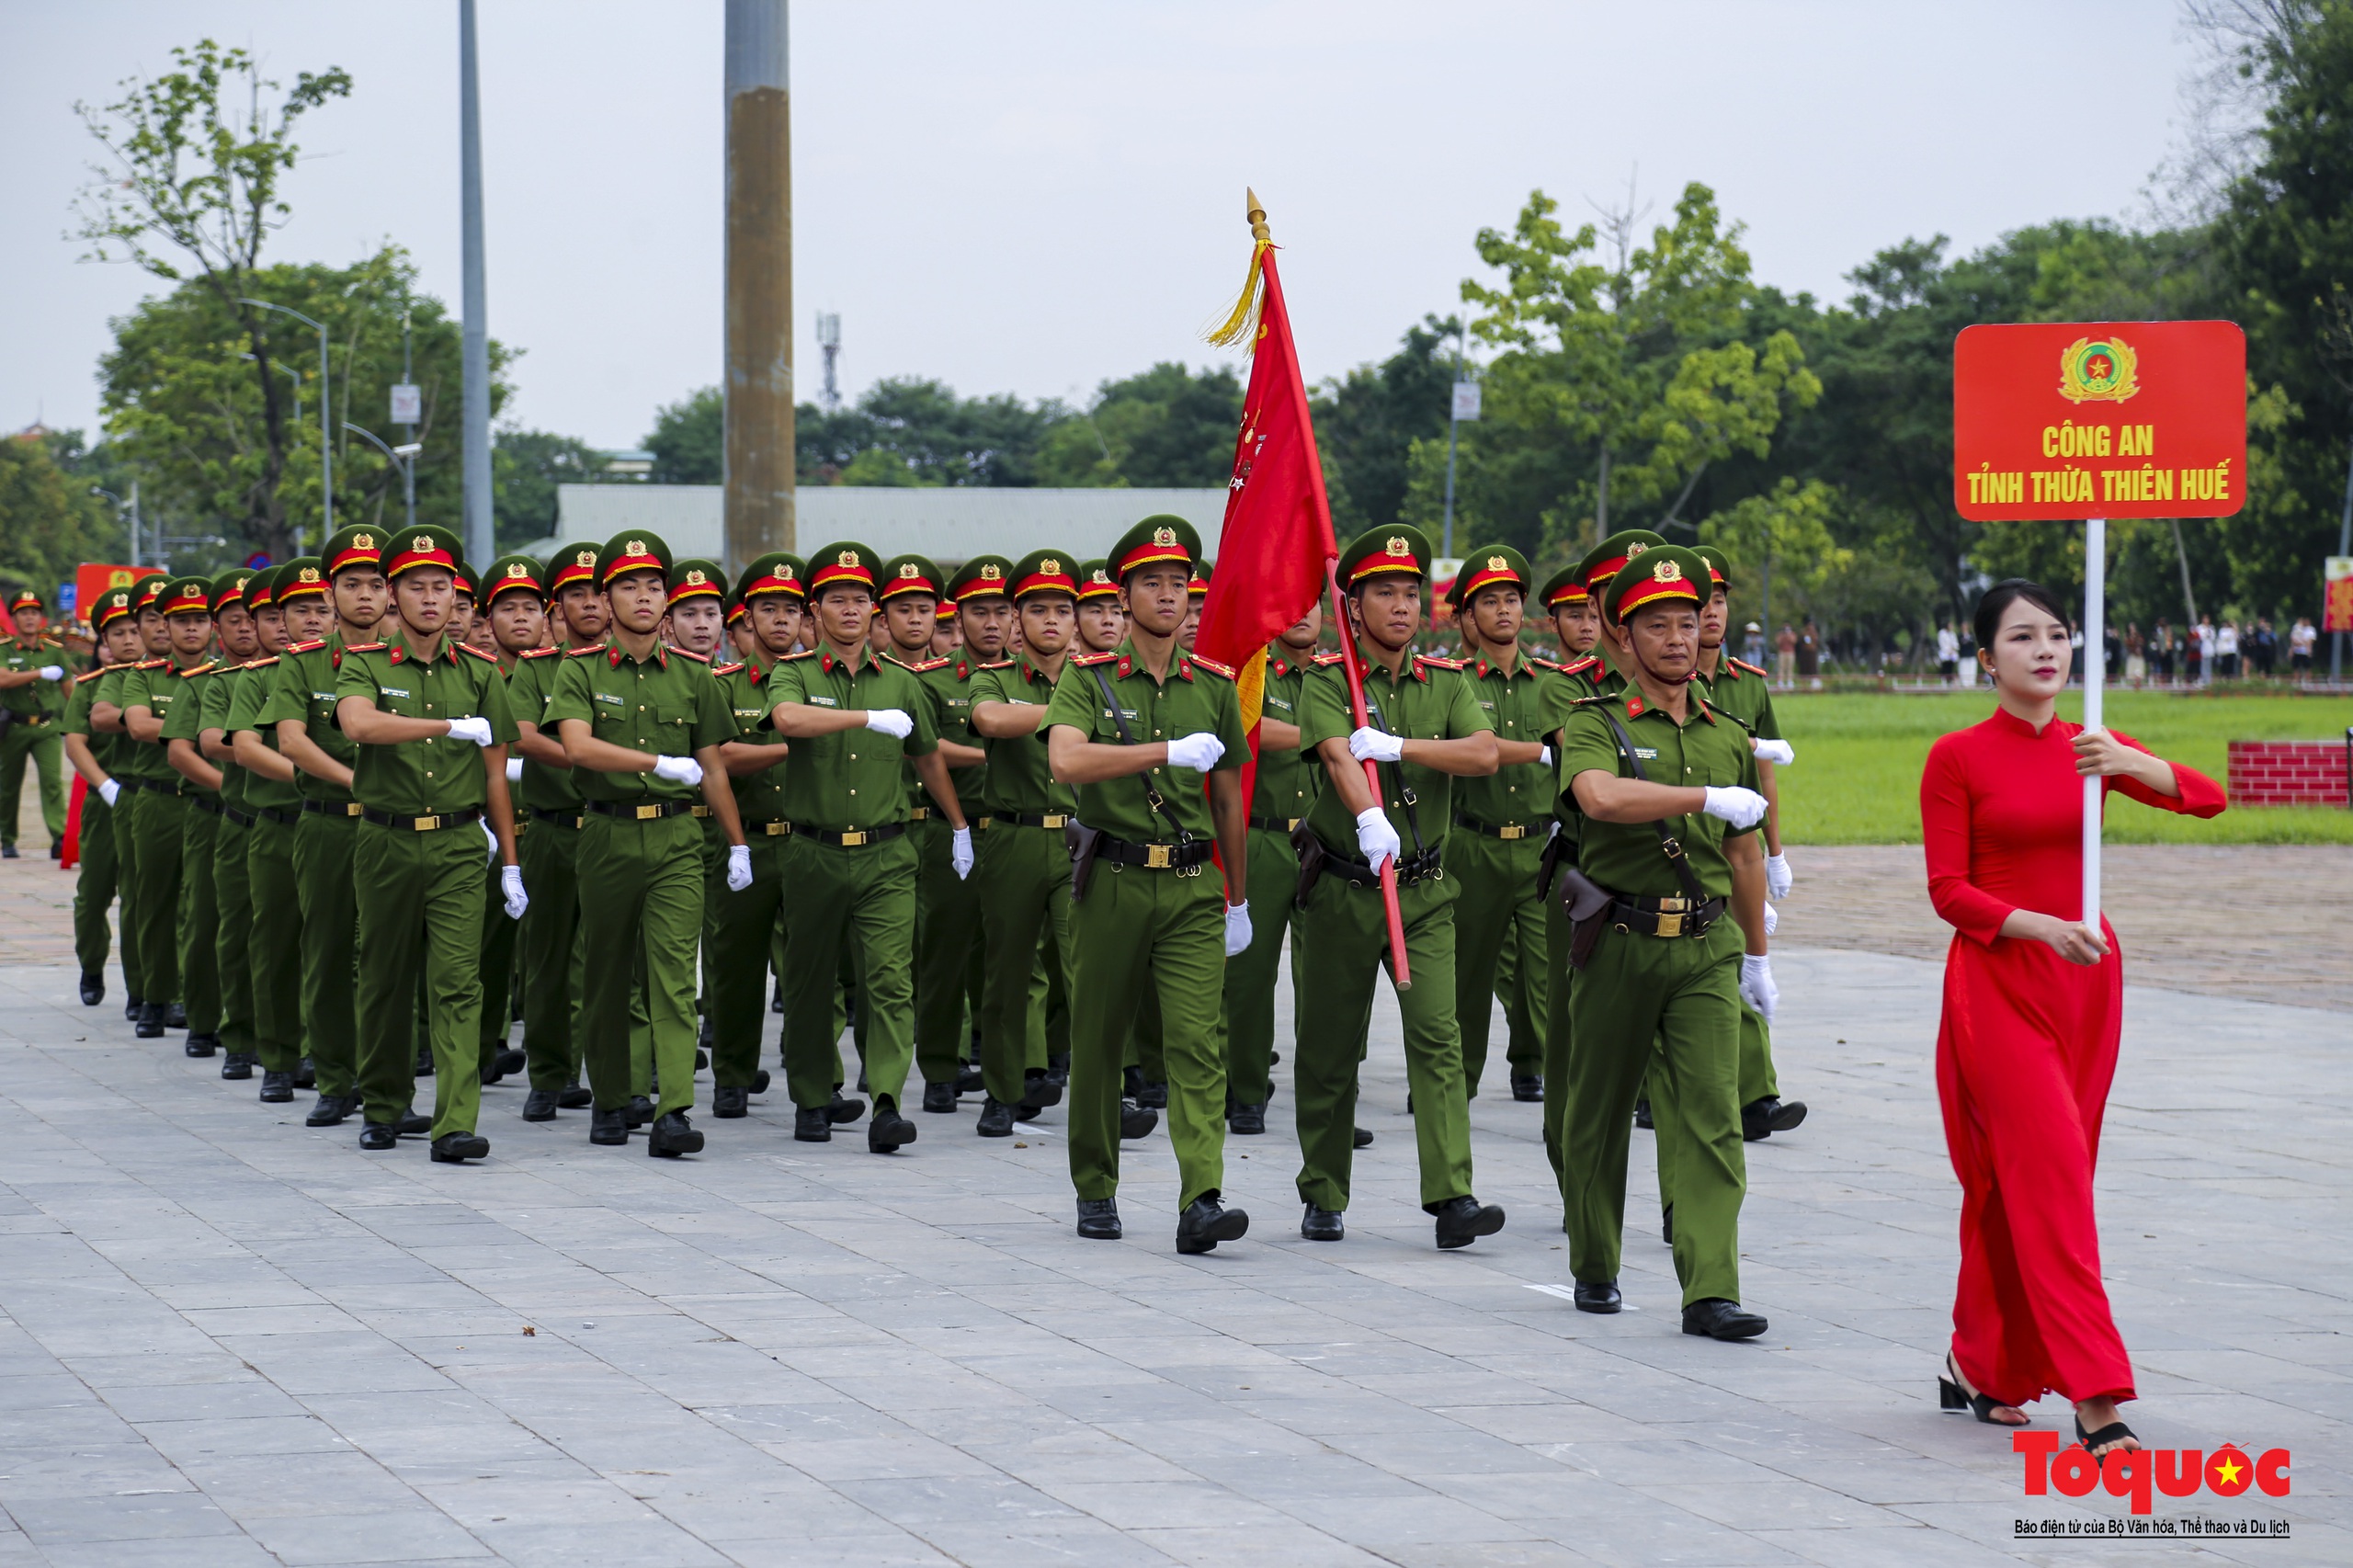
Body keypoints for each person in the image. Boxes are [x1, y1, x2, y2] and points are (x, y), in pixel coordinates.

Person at [1922, 577, 2225, 1458]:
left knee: (2031, 1183)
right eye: (2022, 638)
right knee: (2050, 1180)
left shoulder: (2092, 745)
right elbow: (1949, 892)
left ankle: (1975, 1359)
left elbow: (2208, 798)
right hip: (1999, 983)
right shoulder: (1958, 757)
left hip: (2088, 988)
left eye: (2057, 635)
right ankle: (2097, 1395)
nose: (2046, 650)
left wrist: (2127, 763)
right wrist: (2040, 926)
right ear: (1986, 658)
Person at [1554, 544, 1775, 1341]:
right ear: (1621, 634)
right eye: (1658, 624)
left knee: (1712, 1115)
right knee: (1600, 1112)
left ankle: (1710, 1287)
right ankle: (1595, 1260)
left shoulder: (1729, 732)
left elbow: (1743, 851)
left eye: (1689, 621)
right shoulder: (1593, 721)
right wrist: (1702, 795)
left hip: (1706, 947)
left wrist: (1756, 956)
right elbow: (1600, 798)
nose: (1679, 638)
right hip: (1618, 939)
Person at [1289, 525, 1505, 1248]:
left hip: (1421, 893)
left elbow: (1480, 754)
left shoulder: (1445, 682)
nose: (1402, 606)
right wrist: (1369, 813)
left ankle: (1452, 1197)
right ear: (1352, 606)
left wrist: (1402, 748)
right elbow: (1334, 754)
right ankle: (1322, 1187)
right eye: (1385, 592)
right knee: (1328, 1047)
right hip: (1346, 889)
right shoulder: (1325, 679)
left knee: (1439, 1039)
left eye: (1411, 592)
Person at [1042, 515, 1252, 1250]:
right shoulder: (1087, 679)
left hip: (1193, 883)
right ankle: (1096, 1185)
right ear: (1122, 595)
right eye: (1151, 583)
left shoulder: (1215, 685)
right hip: (1114, 880)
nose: (1168, 596)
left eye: (1179, 583)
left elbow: (1228, 798)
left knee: (1197, 1043)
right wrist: (1160, 750)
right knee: (1100, 1040)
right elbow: (1066, 762)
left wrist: (1239, 896)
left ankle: (1202, 1195)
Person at [546, 532, 748, 1156]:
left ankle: (675, 1111)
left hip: (677, 837)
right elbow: (577, 747)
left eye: (653, 587)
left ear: (667, 598)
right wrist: (660, 759)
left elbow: (712, 766)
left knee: (671, 975)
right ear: (605, 600)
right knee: (607, 974)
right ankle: (610, 1099)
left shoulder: (694, 676)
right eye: (627, 586)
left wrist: (736, 843)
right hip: (605, 831)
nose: (642, 597)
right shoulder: (578, 670)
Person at [766, 540, 971, 1153]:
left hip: (887, 853)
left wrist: (957, 825)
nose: (850, 610)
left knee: (890, 980)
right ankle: (811, 1093)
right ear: (815, 612)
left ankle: (885, 1100)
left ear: (874, 612)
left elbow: (928, 757)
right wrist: (862, 720)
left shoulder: (904, 684)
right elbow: (788, 721)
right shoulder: (795, 673)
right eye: (837, 600)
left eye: (860, 600)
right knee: (810, 981)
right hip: (813, 851)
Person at [335, 525, 526, 1162]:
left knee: (457, 982)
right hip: (385, 841)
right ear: (393, 595)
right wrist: (449, 726)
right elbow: (359, 723)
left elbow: (496, 770)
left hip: (457, 846)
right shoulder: (362, 662)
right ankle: (384, 1104)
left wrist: (511, 860)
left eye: (440, 588)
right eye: (415, 587)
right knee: (384, 978)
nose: (428, 599)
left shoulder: (480, 671)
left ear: (454, 598)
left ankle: (455, 1123)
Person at [262, 528, 391, 1129]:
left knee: (391, 958)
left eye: (374, 584)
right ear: (331, 591)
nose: (363, 595)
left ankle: (388, 1081)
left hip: (400, 826)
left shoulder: (418, 659)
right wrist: (358, 783)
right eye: (350, 584)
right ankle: (336, 1079)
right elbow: (292, 741)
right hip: (330, 826)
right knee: (330, 951)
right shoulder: (303, 661)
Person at [966, 550, 1091, 1135]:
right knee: (1007, 973)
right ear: (1017, 622)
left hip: (1081, 843)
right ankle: (1002, 1091)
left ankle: (1100, 1092)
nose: (1050, 621)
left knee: (1088, 972)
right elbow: (990, 721)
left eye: (1061, 610)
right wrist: (1070, 714)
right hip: (1012, 837)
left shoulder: (1098, 675)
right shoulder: (993, 677)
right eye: (1036, 610)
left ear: (1076, 619)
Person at [883, 553, 1002, 1112]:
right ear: (959, 618)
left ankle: (1018, 1064)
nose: (993, 624)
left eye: (1003, 611)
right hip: (948, 831)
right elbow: (924, 750)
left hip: (1015, 830)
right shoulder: (928, 682)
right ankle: (939, 1064)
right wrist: (995, 750)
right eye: (979, 612)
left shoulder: (1031, 681)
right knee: (944, 954)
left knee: (1010, 956)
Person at [1212, 597, 1324, 1136]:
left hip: (1324, 844)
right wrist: (1328, 737)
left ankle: (1327, 1101)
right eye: (1292, 605)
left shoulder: (1337, 674)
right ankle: (1247, 1090)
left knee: (1325, 978)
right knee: (1251, 975)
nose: (1303, 615)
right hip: (1262, 839)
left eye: (1314, 605)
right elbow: (1250, 733)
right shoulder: (1254, 673)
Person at [1445, 545, 1552, 1104]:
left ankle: (1548, 1076)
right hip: (1472, 843)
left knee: (1547, 975)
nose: (1503, 610)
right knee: (1466, 975)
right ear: (1469, 615)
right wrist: (1536, 751)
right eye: (1489, 601)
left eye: (1511, 599)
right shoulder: (1453, 681)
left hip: (1539, 846)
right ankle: (1453, 1085)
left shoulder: (1553, 683)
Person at [504, 545, 604, 1120]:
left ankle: (621, 1072)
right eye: (575, 596)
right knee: (547, 958)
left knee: (616, 960)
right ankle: (549, 1073)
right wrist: (593, 760)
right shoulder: (538, 669)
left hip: (617, 828)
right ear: (556, 608)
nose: (588, 604)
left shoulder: (644, 668)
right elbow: (522, 736)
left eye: (596, 593)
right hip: (555, 829)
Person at [704, 553, 802, 1119]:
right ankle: (733, 1075)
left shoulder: (822, 681)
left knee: (813, 968)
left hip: (814, 840)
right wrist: (797, 743)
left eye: (791, 609)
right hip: (748, 840)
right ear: (747, 618)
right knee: (737, 968)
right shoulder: (721, 684)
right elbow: (719, 756)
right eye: (769, 609)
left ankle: (819, 1078)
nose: (782, 620)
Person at [228, 561, 328, 1103]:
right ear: (281, 619)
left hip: (344, 824)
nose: (312, 620)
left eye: (321, 609)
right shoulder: (259, 676)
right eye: (300, 611)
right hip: (279, 825)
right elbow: (245, 748)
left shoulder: (360, 671)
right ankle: (278, 1057)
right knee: (275, 944)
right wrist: (313, 773)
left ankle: (326, 1050)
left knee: (336, 944)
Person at [166, 570, 260, 1080]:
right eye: (234, 620)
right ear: (218, 630)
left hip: (283, 815)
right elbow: (182, 750)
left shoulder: (294, 675)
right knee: (211, 923)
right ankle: (209, 1021)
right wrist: (228, 788)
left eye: (255, 618)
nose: (246, 629)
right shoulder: (205, 683)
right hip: (216, 814)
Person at [119, 574, 217, 1044]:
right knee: (155, 902)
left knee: (201, 907)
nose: (191, 630)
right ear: (166, 627)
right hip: (156, 800)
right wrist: (195, 726)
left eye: (200, 620)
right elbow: (138, 726)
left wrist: (182, 727)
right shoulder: (144, 674)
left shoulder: (223, 675)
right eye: (181, 621)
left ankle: (192, 997)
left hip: (206, 802)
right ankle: (155, 997)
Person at [475, 554, 552, 1088]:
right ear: (488, 619)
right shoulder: (475, 673)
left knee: (549, 953)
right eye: (507, 609)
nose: (520, 618)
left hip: (545, 827)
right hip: (488, 833)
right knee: (485, 951)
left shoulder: (564, 670)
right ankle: (483, 1047)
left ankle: (555, 1064)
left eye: (530, 607)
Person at [89, 576, 174, 1028]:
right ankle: (146, 990)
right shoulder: (128, 677)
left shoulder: (218, 671)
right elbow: (100, 718)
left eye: (168, 617)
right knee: (144, 899)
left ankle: (183, 993)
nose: (160, 627)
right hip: (142, 794)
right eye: (150, 619)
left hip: (204, 799)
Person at [61, 587, 145, 1006]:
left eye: (135, 630)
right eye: (118, 633)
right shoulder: (91, 687)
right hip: (107, 797)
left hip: (150, 798)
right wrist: (105, 786)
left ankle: (141, 987)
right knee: (94, 893)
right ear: (104, 642)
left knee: (139, 894)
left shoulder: (166, 681)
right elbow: (75, 743)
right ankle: (92, 964)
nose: (129, 640)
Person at [0, 589, 73, 859]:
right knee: (9, 785)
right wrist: (40, 673)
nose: (29, 618)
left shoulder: (54, 652)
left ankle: (59, 837)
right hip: (13, 727)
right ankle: (7, 838)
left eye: (34, 613)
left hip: (47, 727)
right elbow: (3, 679)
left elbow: (70, 691)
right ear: (15, 618)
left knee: (52, 782)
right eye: (23, 613)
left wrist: (80, 721)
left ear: (41, 618)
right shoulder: (5, 649)